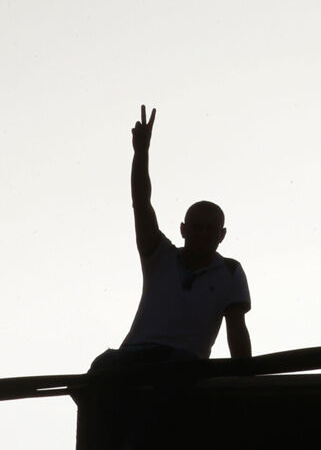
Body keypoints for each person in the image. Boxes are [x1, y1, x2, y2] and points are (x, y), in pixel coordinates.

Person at [81, 106, 252, 447]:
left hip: (183, 361)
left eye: (211, 229)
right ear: (183, 229)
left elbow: (237, 329)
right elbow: (141, 202)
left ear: (222, 235)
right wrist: (141, 153)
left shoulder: (230, 271)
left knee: (164, 395)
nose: (203, 234)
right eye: (197, 227)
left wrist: (247, 380)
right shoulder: (160, 254)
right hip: (135, 355)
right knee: (99, 371)